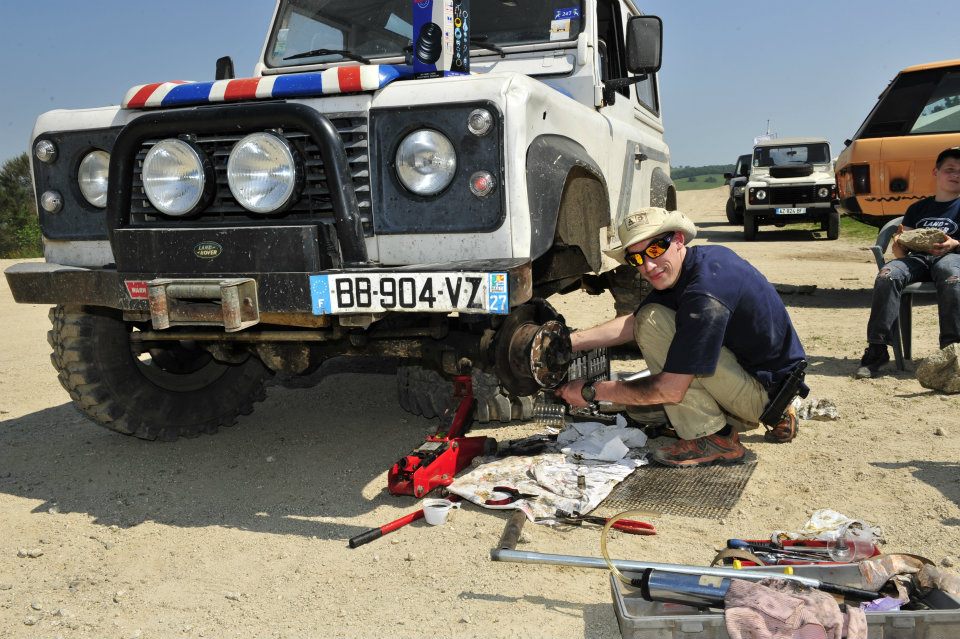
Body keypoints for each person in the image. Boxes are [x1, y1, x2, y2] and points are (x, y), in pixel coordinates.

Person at [556, 207, 807, 468]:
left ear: (678, 240)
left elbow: (670, 389)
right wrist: (569, 341)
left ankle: (713, 439)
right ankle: (774, 414)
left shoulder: (704, 296)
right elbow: (631, 324)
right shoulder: (701, 263)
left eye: (654, 250)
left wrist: (590, 391)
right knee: (649, 320)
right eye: (636, 259)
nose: (648, 266)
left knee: (653, 325)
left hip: (759, 396)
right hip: (774, 385)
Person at [856, 146, 960, 378]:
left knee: (950, 274)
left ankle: (952, 352)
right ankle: (877, 350)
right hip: (918, 260)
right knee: (887, 275)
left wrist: (954, 244)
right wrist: (898, 246)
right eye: (950, 170)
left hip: (952, 259)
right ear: (936, 172)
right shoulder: (918, 208)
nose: (956, 175)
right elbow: (904, 248)